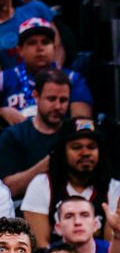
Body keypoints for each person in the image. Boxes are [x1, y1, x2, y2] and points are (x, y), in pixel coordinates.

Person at [22, 117, 120, 249]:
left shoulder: (113, 188)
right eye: (77, 147)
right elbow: (40, 247)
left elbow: (110, 251)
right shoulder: (41, 184)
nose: (85, 153)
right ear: (62, 152)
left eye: (91, 147)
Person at [0, 18, 92, 126]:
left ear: (54, 48)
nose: (40, 48)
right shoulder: (4, 78)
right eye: (32, 43)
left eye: (45, 42)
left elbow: (82, 125)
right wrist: (2, 111)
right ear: (20, 51)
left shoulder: (73, 79)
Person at [0, 68, 70, 200]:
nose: (58, 106)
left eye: (63, 100)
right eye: (51, 99)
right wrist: (46, 165)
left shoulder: (74, 133)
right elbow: (8, 190)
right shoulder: (14, 136)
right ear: (36, 96)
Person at [0, 0, 53, 70]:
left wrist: (55, 75)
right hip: (10, 78)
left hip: (49, 74)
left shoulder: (35, 8)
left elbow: (57, 46)